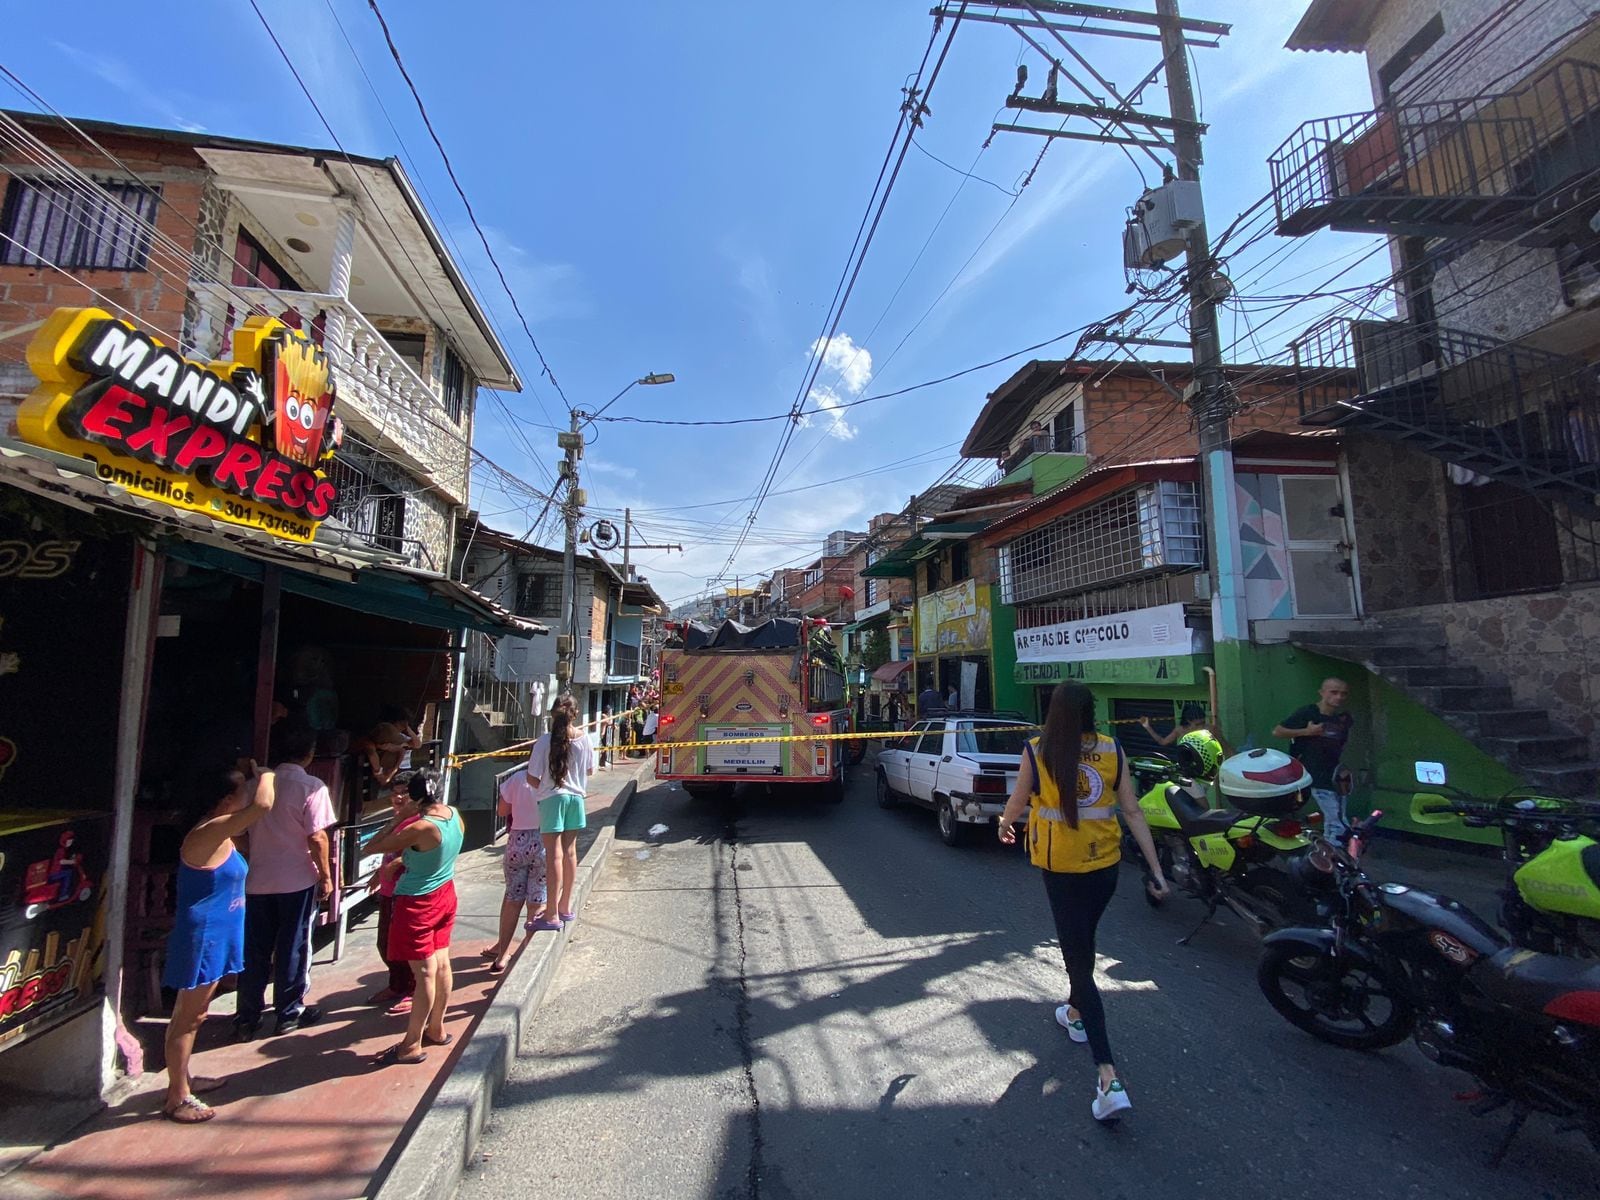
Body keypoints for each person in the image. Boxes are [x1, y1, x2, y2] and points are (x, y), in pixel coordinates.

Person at [997, 681, 1170, 1122]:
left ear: (1054, 712)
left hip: (1062, 870)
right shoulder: (1113, 750)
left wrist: (1005, 823)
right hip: (1105, 867)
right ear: (1092, 711)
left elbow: (1019, 798)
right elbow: (1132, 812)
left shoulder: (1038, 750)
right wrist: (1155, 869)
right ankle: (1074, 1011)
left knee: (1079, 960)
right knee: (1083, 943)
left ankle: (1108, 1077)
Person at [162, 763, 276, 1123]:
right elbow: (262, 806)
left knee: (196, 1012)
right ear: (226, 798)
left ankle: (185, 1079)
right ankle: (176, 1097)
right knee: (189, 1016)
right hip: (204, 936)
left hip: (220, 931)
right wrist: (268, 774)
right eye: (241, 789)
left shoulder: (222, 830)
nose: (247, 794)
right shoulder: (210, 830)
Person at [235, 723, 335, 1040]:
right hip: (296, 879)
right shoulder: (311, 786)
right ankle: (289, 1011)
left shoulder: (254, 786)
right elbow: (318, 837)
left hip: (257, 879)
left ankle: (247, 1016)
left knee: (255, 949)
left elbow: (238, 833)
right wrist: (326, 876)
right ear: (309, 753)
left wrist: (256, 853)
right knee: (293, 945)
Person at [368, 770, 462, 1065]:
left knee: (424, 974)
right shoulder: (454, 815)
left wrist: (399, 817)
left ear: (414, 797)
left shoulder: (421, 827)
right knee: (442, 964)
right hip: (445, 893)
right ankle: (436, 1027)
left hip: (417, 901)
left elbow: (372, 846)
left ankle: (411, 1044)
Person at [527, 693, 594, 933]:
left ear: (553, 713)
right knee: (570, 853)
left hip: (551, 799)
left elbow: (532, 778)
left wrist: (547, 786)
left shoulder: (544, 741)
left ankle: (551, 913)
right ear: (575, 714)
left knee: (552, 855)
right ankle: (565, 906)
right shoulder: (584, 739)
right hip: (576, 799)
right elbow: (590, 770)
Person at [479, 765, 546, 974]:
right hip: (544, 839)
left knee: (512, 898)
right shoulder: (554, 777)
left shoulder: (517, 777)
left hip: (517, 841)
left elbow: (502, 810)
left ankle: (501, 955)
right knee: (536, 901)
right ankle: (527, 951)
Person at [1273, 678, 1355, 839]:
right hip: (1312, 772)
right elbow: (1278, 731)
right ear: (1322, 693)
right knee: (1335, 820)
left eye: (1343, 694)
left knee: (1339, 817)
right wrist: (1306, 732)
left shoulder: (1341, 719)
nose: (1338, 697)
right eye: (1334, 692)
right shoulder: (1308, 712)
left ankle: (1333, 850)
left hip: (1334, 774)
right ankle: (1333, 852)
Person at [367, 777, 422, 1014]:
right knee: (386, 943)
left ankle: (412, 989)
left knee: (405, 945)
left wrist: (396, 863)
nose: (399, 798)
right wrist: (379, 874)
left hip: (407, 890)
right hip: (389, 891)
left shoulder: (418, 823)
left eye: (404, 793)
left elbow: (418, 852)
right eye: (395, 793)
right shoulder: (397, 821)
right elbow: (382, 851)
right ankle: (397, 984)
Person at [363, 704, 423, 788]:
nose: (402, 728)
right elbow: (371, 752)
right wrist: (382, 773)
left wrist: (408, 729)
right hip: (383, 769)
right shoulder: (384, 733)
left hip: (394, 771)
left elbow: (417, 744)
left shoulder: (400, 737)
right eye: (401, 725)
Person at [1139, 702, 1209, 748]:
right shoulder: (1180, 730)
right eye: (1197, 724)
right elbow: (1163, 742)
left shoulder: (1211, 729)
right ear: (1189, 721)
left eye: (1203, 723)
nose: (1201, 727)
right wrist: (1147, 727)